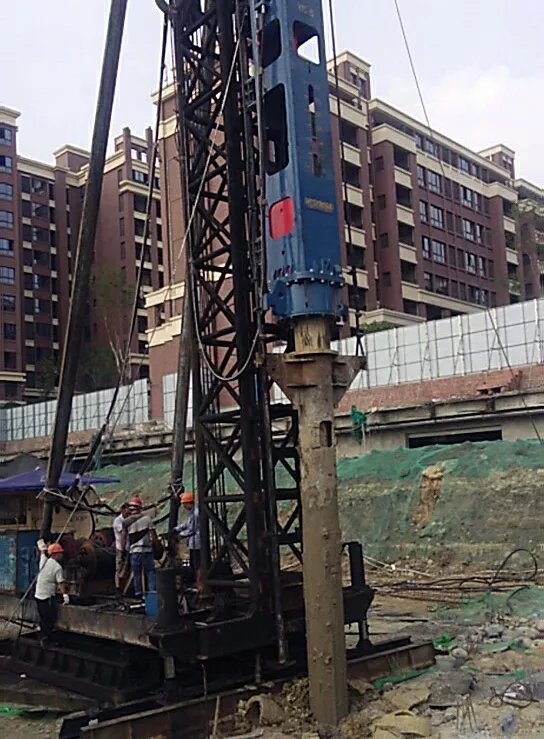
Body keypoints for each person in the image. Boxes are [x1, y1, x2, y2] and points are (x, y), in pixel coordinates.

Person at [35, 540, 69, 646]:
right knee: (49, 619)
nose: (62, 555)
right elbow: (61, 583)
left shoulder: (43, 560)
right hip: (47, 597)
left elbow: (42, 552)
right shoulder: (57, 567)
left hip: (38, 595)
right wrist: (65, 595)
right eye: (60, 553)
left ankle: (41, 636)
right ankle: (45, 640)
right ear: (56, 554)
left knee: (43, 617)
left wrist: (41, 544)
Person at [122, 498, 157, 599]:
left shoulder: (126, 522)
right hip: (147, 551)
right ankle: (152, 594)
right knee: (150, 572)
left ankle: (138, 594)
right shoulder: (147, 519)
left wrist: (124, 550)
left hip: (134, 552)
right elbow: (153, 535)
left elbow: (124, 538)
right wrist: (156, 546)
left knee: (136, 573)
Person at [174, 491, 200, 575]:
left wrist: (180, 535)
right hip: (193, 544)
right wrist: (177, 529)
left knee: (197, 564)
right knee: (193, 563)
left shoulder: (196, 513)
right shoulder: (191, 512)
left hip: (197, 543)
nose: (184, 506)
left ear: (189, 503)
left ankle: (198, 580)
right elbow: (187, 524)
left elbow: (191, 529)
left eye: (185, 504)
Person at [113, 503, 130, 594]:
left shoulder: (128, 519)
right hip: (120, 547)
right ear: (123, 510)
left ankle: (124, 587)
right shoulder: (118, 521)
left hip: (127, 547)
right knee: (119, 567)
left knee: (125, 567)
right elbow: (123, 533)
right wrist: (123, 548)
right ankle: (118, 587)